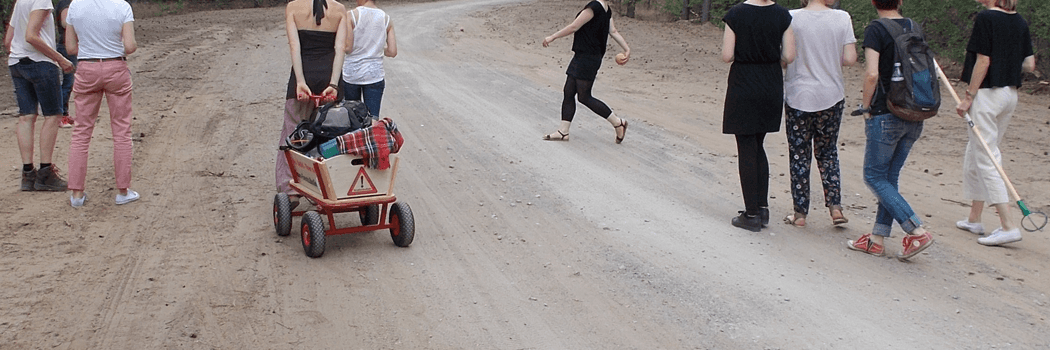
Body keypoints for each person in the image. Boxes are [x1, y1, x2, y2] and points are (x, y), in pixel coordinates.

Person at [846, 0, 934, 260]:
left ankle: (916, 231)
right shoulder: (914, 26)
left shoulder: (876, 29)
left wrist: (865, 107)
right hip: (915, 111)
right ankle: (876, 239)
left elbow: (872, 74)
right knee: (890, 178)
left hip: (886, 112)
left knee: (874, 177)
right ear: (901, 1)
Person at [953, 0, 1036, 246]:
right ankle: (974, 218)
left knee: (987, 157)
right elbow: (1029, 64)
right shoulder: (1019, 20)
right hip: (1009, 95)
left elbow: (983, 61)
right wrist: (1007, 61)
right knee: (978, 150)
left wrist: (968, 96)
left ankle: (1008, 225)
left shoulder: (986, 18)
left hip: (988, 95)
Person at [720, 0, 795, 232]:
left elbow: (726, 55)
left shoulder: (736, 14)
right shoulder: (783, 15)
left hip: (744, 80)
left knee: (746, 145)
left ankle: (750, 213)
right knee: (759, 144)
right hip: (770, 81)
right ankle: (762, 208)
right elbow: (790, 55)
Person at [782, 0, 856, 227]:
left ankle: (800, 213)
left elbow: (786, 56)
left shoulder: (790, 17)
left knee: (799, 155)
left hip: (798, 95)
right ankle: (835, 207)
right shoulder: (842, 18)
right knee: (828, 152)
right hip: (831, 95)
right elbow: (851, 59)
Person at [64, 0, 138, 207]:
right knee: (121, 130)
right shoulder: (122, 6)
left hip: (87, 67)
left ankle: (77, 194)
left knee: (81, 131)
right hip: (116, 66)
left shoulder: (75, 6)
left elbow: (70, 47)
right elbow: (130, 46)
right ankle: (123, 191)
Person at [276, 0, 347, 207]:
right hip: (328, 78)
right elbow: (340, 47)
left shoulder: (293, 7)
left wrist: (300, 82)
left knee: (292, 133)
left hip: (303, 77)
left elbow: (294, 46)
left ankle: (290, 191)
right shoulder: (339, 10)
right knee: (331, 134)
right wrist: (333, 84)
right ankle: (327, 188)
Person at [5, 0, 75, 192]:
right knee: (52, 115)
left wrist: (20, 53)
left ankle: (28, 173)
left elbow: (8, 41)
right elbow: (31, 36)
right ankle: (45, 173)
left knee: (26, 116)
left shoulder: (20, 1)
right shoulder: (41, 0)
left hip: (17, 63)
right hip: (41, 63)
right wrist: (60, 59)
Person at [540, 0, 630, 144]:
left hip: (588, 58)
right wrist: (627, 49)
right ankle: (563, 131)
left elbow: (574, 26)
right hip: (583, 56)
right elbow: (613, 31)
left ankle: (618, 122)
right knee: (569, 90)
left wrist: (552, 37)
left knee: (584, 96)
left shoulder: (594, 7)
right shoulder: (606, 9)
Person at [341, 0, 396, 117]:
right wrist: (379, 49)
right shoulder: (386, 18)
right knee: (372, 118)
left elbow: (348, 48)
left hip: (352, 74)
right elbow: (392, 51)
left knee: (352, 117)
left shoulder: (351, 15)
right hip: (374, 74)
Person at [55, 0, 76, 128]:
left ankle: (64, 113)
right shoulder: (66, 3)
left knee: (69, 83)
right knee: (68, 83)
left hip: (68, 46)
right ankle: (61, 116)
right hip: (66, 47)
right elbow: (65, 23)